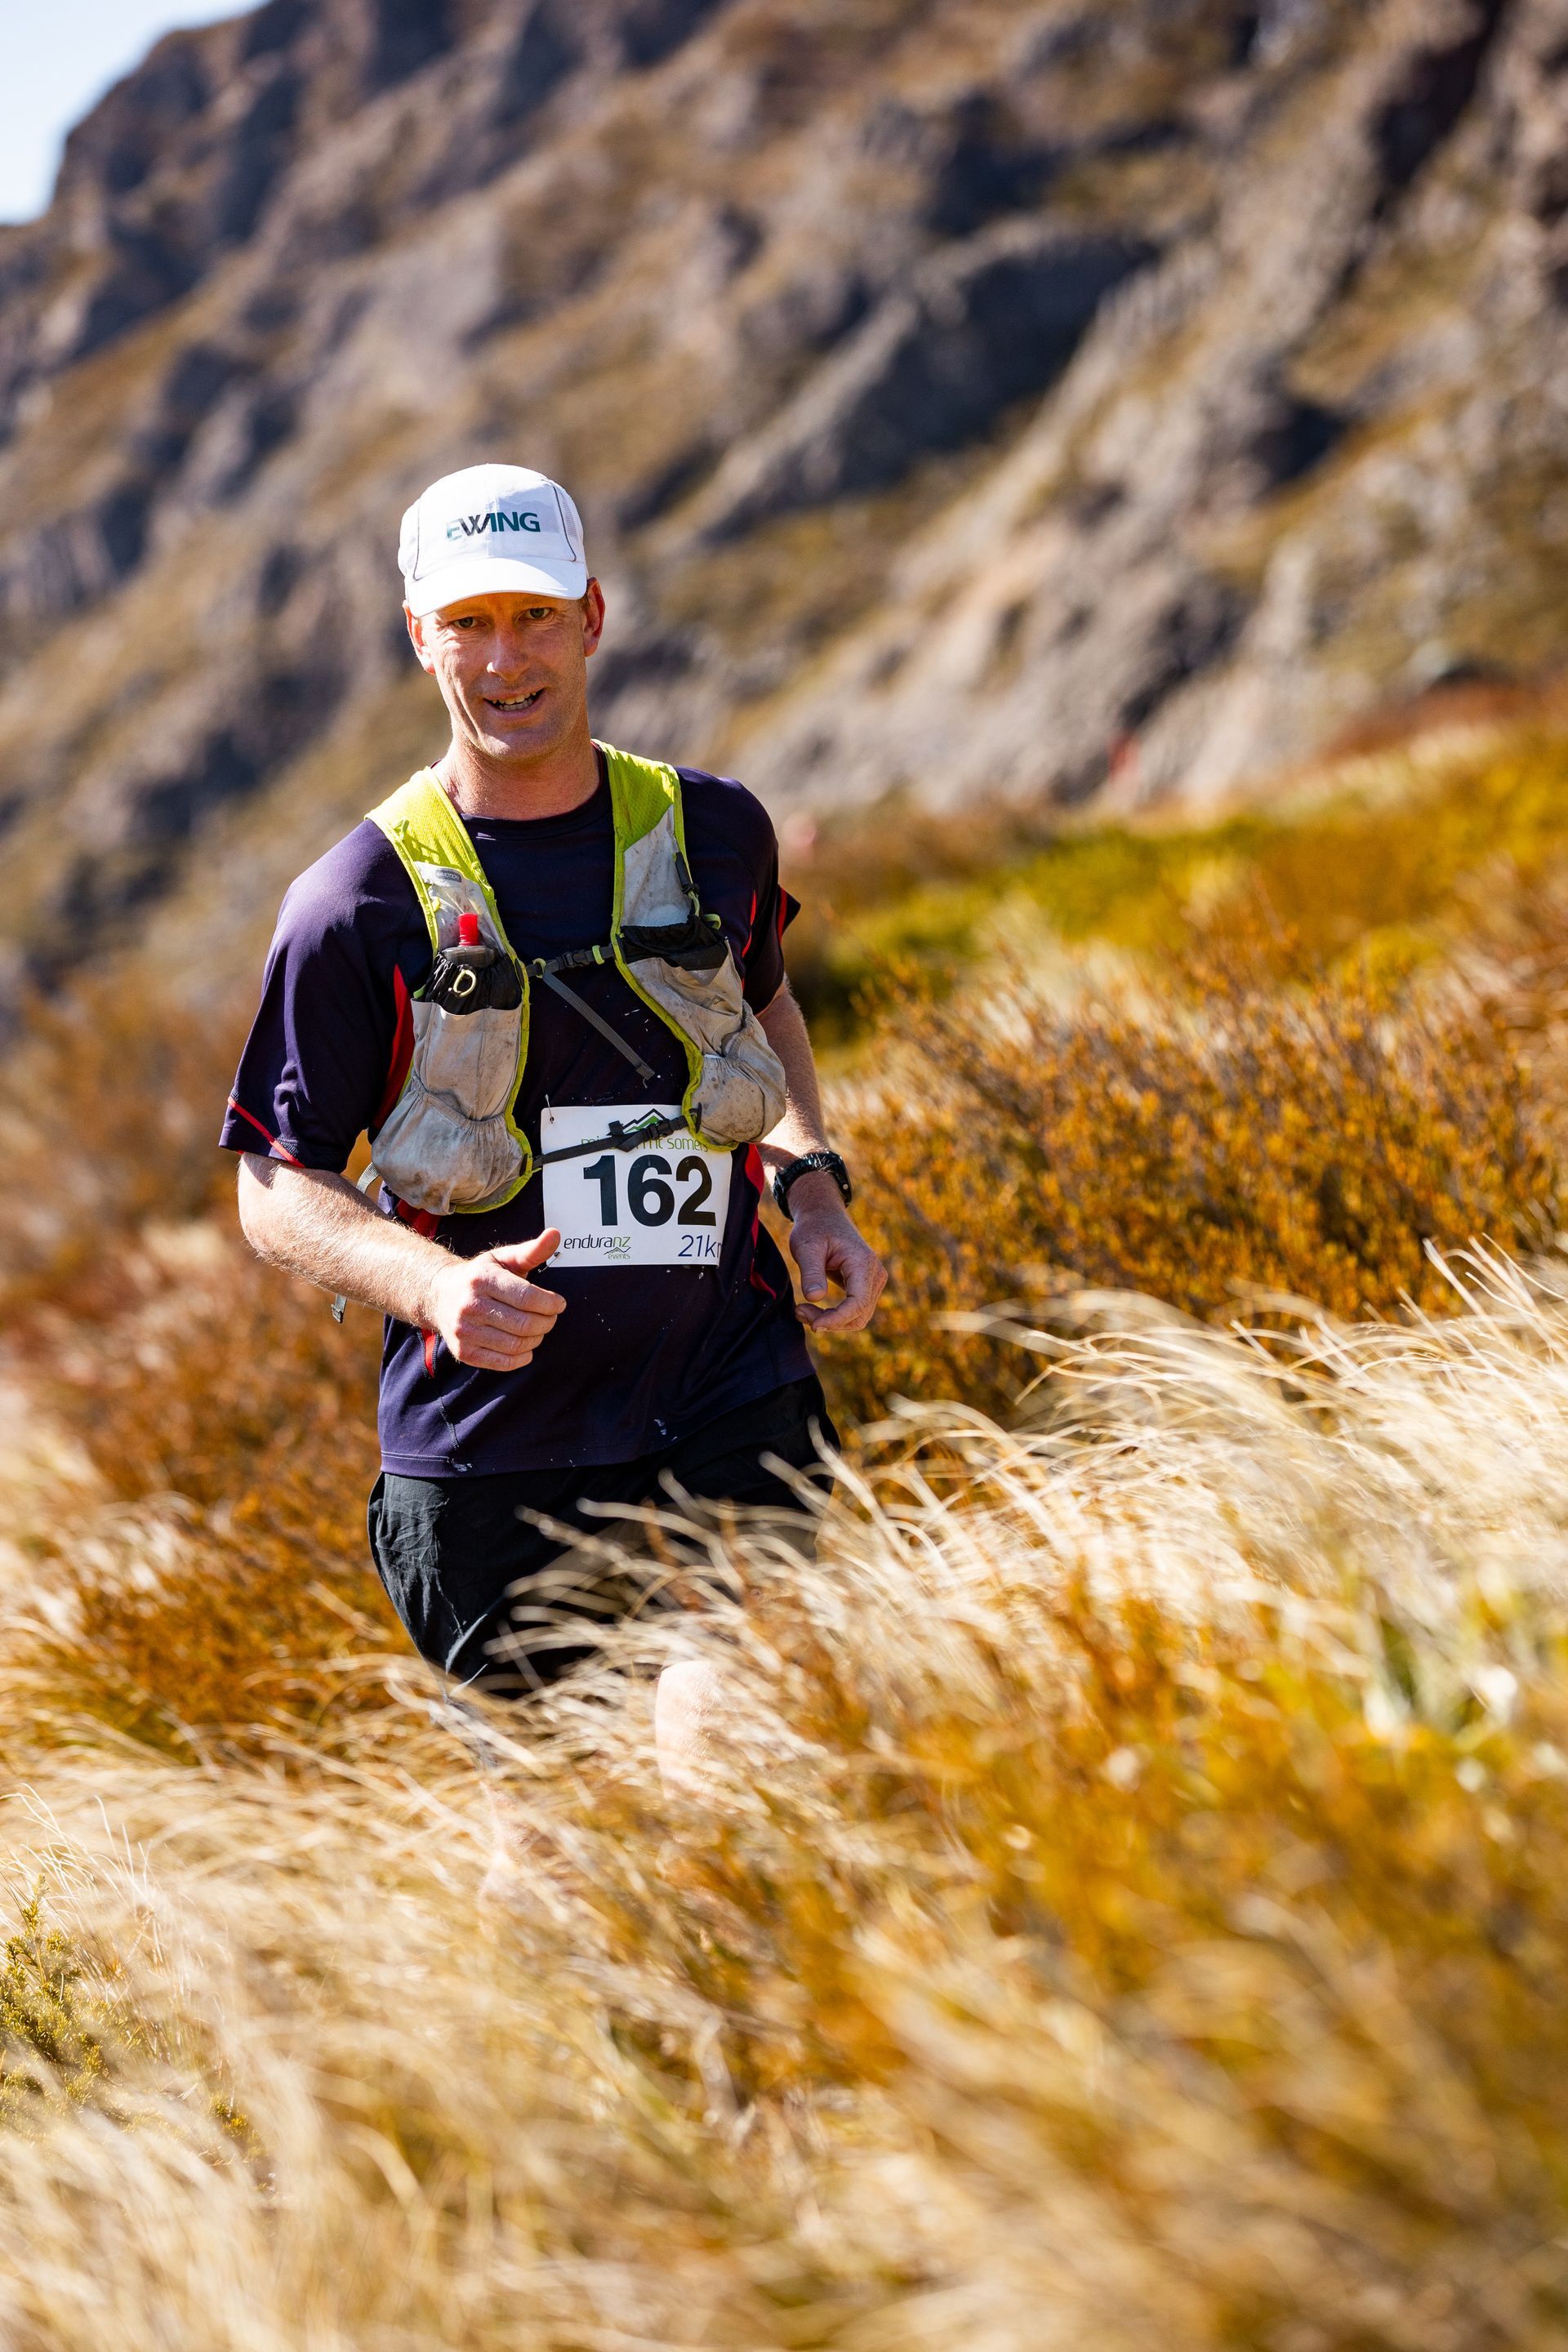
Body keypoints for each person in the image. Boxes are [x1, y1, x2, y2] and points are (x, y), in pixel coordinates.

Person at [222, 461, 886, 1796]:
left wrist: (813, 1185)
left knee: (741, 1764)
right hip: (491, 1449)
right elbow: (274, 1185)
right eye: (467, 622)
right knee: (558, 1863)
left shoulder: (716, 833)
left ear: (592, 614)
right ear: (420, 639)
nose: (505, 657)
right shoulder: (355, 903)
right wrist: (433, 1286)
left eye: (533, 615)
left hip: (729, 1391)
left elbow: (767, 1008)